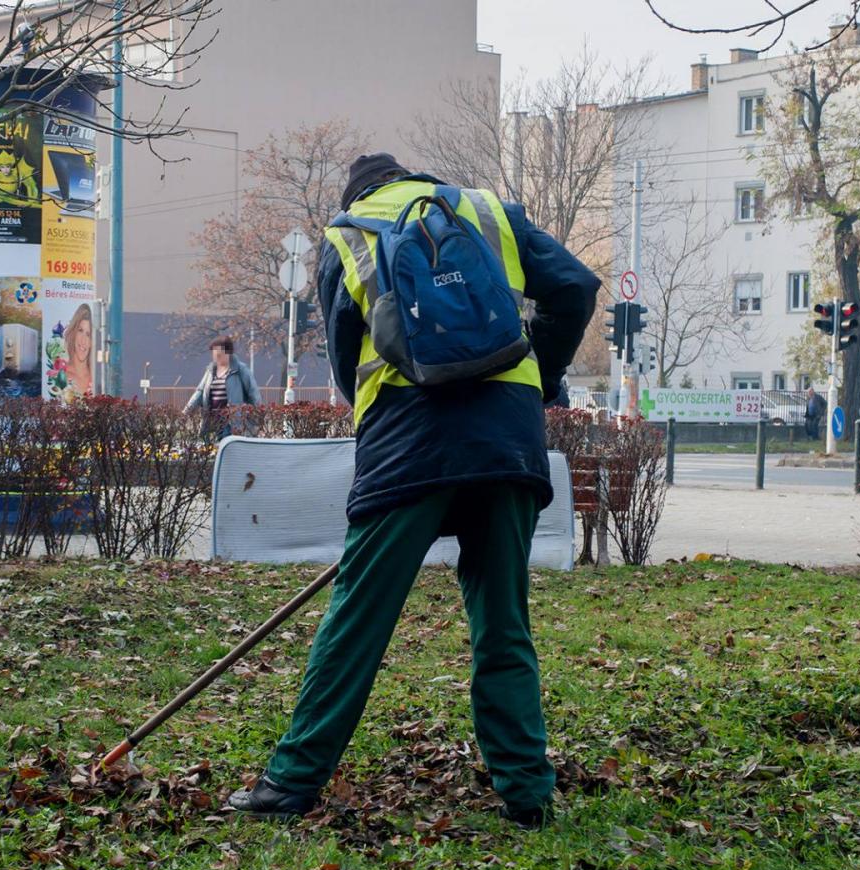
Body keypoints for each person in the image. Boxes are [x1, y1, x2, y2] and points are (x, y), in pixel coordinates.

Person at [228, 153, 597, 828]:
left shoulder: (348, 235)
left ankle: (289, 786)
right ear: (417, 181)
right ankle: (528, 797)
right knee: (503, 622)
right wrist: (540, 375)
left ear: (358, 192)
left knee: (358, 621)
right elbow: (575, 285)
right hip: (507, 440)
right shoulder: (487, 212)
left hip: (407, 442)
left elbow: (349, 368)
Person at [183, 336, 260, 436]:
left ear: (228, 353)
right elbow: (200, 392)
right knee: (210, 449)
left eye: (219, 355)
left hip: (230, 422)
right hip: (211, 421)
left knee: (224, 447)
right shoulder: (210, 371)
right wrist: (186, 411)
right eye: (214, 355)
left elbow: (253, 393)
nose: (216, 358)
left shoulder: (240, 370)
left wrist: (255, 418)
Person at [63, 303, 95, 399]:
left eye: (88, 334)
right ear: (73, 333)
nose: (83, 340)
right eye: (80, 330)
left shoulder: (97, 377)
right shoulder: (61, 375)